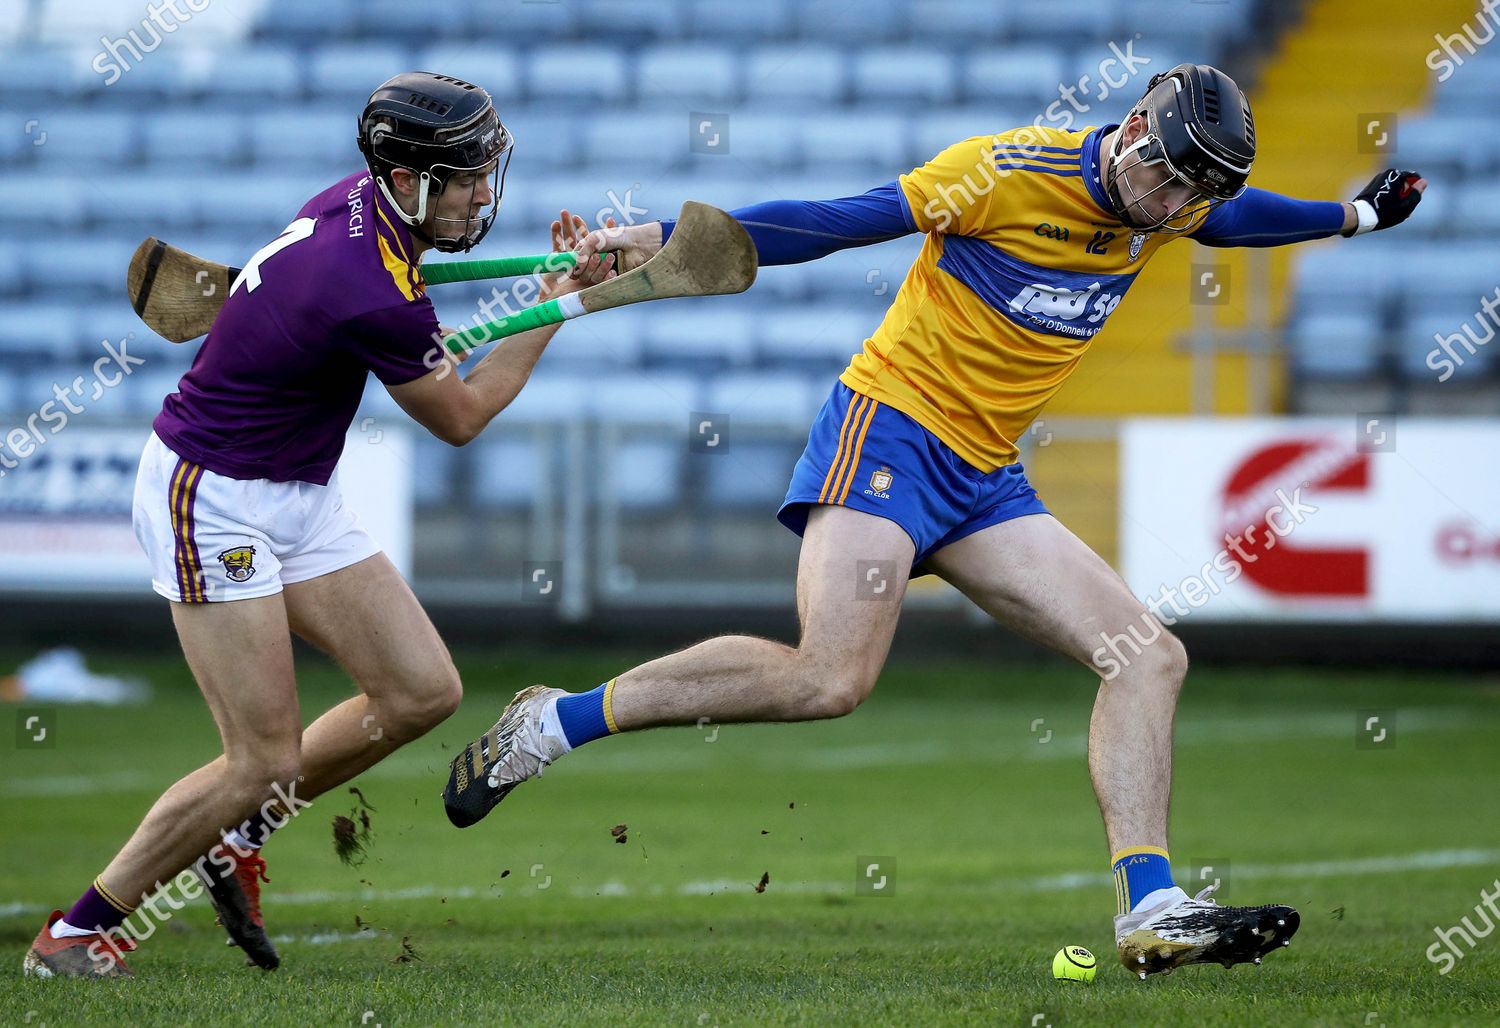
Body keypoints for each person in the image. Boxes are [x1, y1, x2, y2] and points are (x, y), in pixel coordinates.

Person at [441, 64, 1426, 977]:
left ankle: (1148, 904)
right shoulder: (1002, 173)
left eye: (1187, 194)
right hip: (890, 436)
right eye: (1165, 176)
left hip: (985, 474)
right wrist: (659, 236)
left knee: (1147, 653)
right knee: (829, 678)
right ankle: (552, 721)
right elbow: (833, 220)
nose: (1169, 205)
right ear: (1130, 129)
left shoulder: (1174, 205)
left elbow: (1233, 218)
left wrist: (1354, 216)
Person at [23, 71, 616, 978]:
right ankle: (74, 933)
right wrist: (565, 305)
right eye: (465, 178)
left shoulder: (355, 208)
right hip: (211, 494)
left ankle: (236, 839)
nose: (483, 195)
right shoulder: (369, 284)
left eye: (484, 173)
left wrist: (544, 281)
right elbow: (460, 417)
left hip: (295, 490)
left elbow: (390, 321)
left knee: (421, 691)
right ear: (409, 175)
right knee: (259, 758)